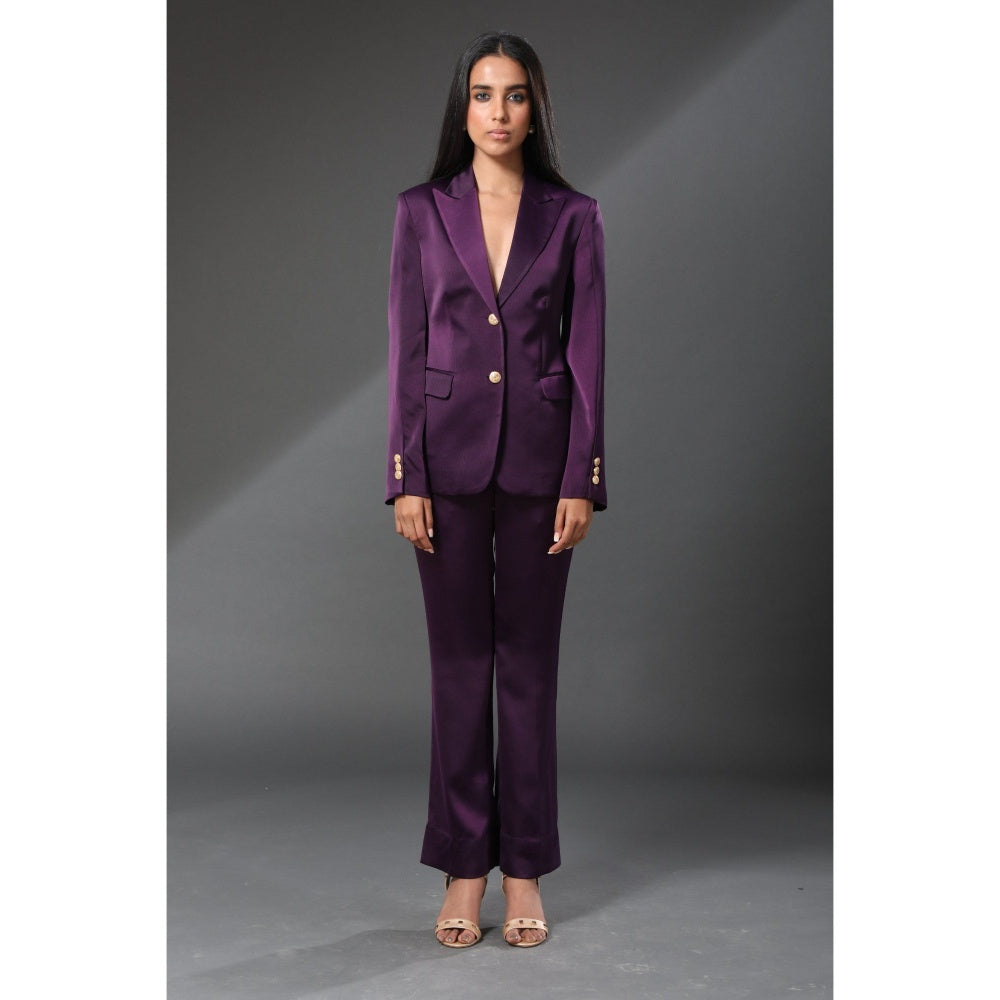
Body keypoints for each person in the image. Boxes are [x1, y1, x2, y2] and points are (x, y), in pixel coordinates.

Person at [384, 29, 607, 949]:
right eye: (483, 95)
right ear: (463, 107)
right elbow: (406, 350)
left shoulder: (575, 215)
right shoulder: (420, 211)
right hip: (444, 467)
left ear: (534, 109)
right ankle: (462, 867)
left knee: (528, 672)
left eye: (515, 95)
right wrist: (404, 473)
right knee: (457, 672)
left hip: (541, 470)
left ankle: (525, 870)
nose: (499, 112)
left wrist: (582, 476)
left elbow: (587, 354)